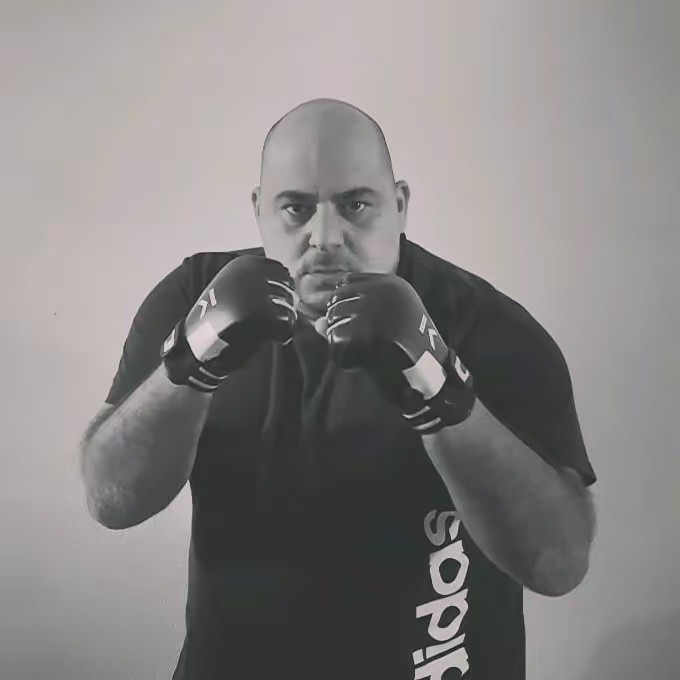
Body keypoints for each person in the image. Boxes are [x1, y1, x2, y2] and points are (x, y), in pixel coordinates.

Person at [79, 98, 597, 680]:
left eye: (355, 205)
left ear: (399, 206)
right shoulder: (194, 297)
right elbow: (111, 501)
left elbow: (558, 565)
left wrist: (442, 390)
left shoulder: (485, 327)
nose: (325, 237)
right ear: (258, 211)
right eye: (296, 208)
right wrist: (192, 360)